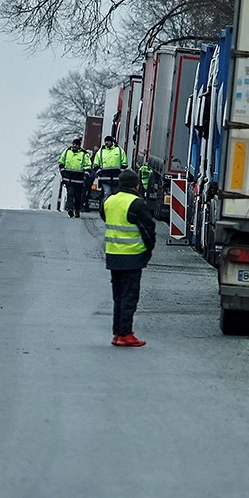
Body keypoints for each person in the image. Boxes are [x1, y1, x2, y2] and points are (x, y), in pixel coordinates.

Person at [103, 169, 156, 347]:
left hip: (113, 256)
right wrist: (148, 250)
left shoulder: (109, 201)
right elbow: (147, 229)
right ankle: (125, 334)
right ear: (136, 184)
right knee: (130, 296)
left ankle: (117, 333)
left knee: (118, 297)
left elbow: (105, 218)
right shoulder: (136, 203)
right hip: (132, 256)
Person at [58, 137, 91, 218]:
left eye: (76, 144)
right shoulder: (67, 152)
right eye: (73, 144)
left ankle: (77, 210)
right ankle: (70, 209)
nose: (74, 146)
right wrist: (63, 173)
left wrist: (85, 176)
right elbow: (61, 162)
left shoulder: (84, 154)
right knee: (70, 194)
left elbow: (88, 166)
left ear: (79, 146)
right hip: (68, 178)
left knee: (77, 196)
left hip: (79, 180)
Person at [93, 136, 129, 200]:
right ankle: (105, 208)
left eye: (108, 141)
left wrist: (121, 173)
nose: (106, 143)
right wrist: (100, 173)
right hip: (105, 178)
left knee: (116, 195)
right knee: (107, 193)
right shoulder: (100, 152)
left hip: (116, 178)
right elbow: (95, 165)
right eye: (106, 141)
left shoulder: (119, 150)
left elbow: (124, 163)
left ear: (112, 142)